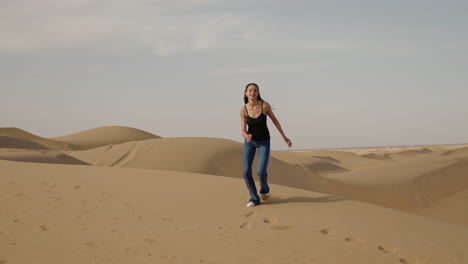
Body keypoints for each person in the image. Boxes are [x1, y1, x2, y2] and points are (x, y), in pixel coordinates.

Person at [240, 83, 292, 207]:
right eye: (250, 91)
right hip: (250, 143)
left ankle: (264, 189)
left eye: (255, 91)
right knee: (246, 171)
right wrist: (246, 136)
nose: (252, 93)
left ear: (258, 93)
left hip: (264, 142)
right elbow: (242, 130)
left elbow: (275, 120)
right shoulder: (243, 109)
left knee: (261, 172)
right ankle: (254, 198)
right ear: (246, 93)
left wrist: (284, 137)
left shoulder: (264, 106)